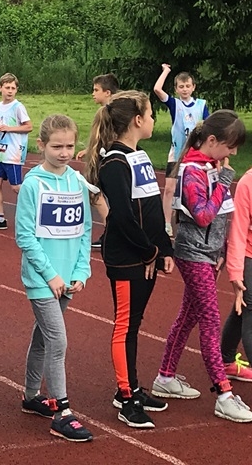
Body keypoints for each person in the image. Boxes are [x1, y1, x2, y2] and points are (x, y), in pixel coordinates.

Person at [151, 110, 252, 423]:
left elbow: (220, 215)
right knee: (210, 319)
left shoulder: (210, 167)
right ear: (212, 140)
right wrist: (224, 181)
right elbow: (204, 215)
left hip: (209, 254)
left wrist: (221, 249)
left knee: (189, 316)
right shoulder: (193, 171)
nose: (234, 153)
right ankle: (223, 394)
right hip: (193, 253)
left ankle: (165, 376)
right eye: (230, 146)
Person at [84, 91, 174, 429]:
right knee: (124, 326)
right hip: (127, 257)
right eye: (150, 114)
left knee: (134, 324)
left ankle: (132, 387)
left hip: (146, 254)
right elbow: (121, 216)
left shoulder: (140, 157)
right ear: (137, 120)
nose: (153, 120)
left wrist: (164, 248)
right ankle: (126, 397)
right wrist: (148, 251)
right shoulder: (115, 163)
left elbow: (151, 209)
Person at [16, 115, 94, 442]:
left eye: (69, 146)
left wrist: (81, 271)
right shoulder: (33, 185)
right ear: (41, 145)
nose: (64, 153)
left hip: (68, 277)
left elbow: (85, 229)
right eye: (57, 146)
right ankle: (62, 412)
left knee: (43, 337)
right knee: (58, 341)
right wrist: (50, 275)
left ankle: (31, 395)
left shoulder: (77, 181)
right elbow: (24, 236)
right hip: (41, 279)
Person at [153, 64, 209, 237]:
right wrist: (166, 71)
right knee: (170, 188)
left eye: (187, 86)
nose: (184, 89)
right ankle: (166, 223)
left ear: (193, 87)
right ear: (176, 89)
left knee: (194, 188)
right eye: (181, 86)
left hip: (195, 154)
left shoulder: (201, 105)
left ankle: (194, 220)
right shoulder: (175, 104)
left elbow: (209, 128)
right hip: (177, 153)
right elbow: (157, 89)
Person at [0, 72, 32, 230]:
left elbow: (28, 127)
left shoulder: (18, 107)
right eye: (7, 87)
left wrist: (9, 129)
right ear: (0, 88)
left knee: (16, 187)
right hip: (0, 152)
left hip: (13, 153)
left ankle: (36, 209)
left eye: (13, 88)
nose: (10, 91)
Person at [77, 73, 120, 249]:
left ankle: (112, 231)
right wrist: (89, 149)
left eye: (96, 90)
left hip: (107, 157)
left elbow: (111, 137)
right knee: (97, 193)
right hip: (104, 155)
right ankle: (111, 230)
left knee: (94, 192)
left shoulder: (112, 113)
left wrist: (98, 150)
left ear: (107, 92)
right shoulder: (107, 110)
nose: (93, 93)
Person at [220, 165, 252, 382]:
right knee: (250, 308)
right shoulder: (248, 183)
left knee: (242, 308)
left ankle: (226, 360)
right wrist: (236, 273)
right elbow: (238, 232)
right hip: (249, 253)